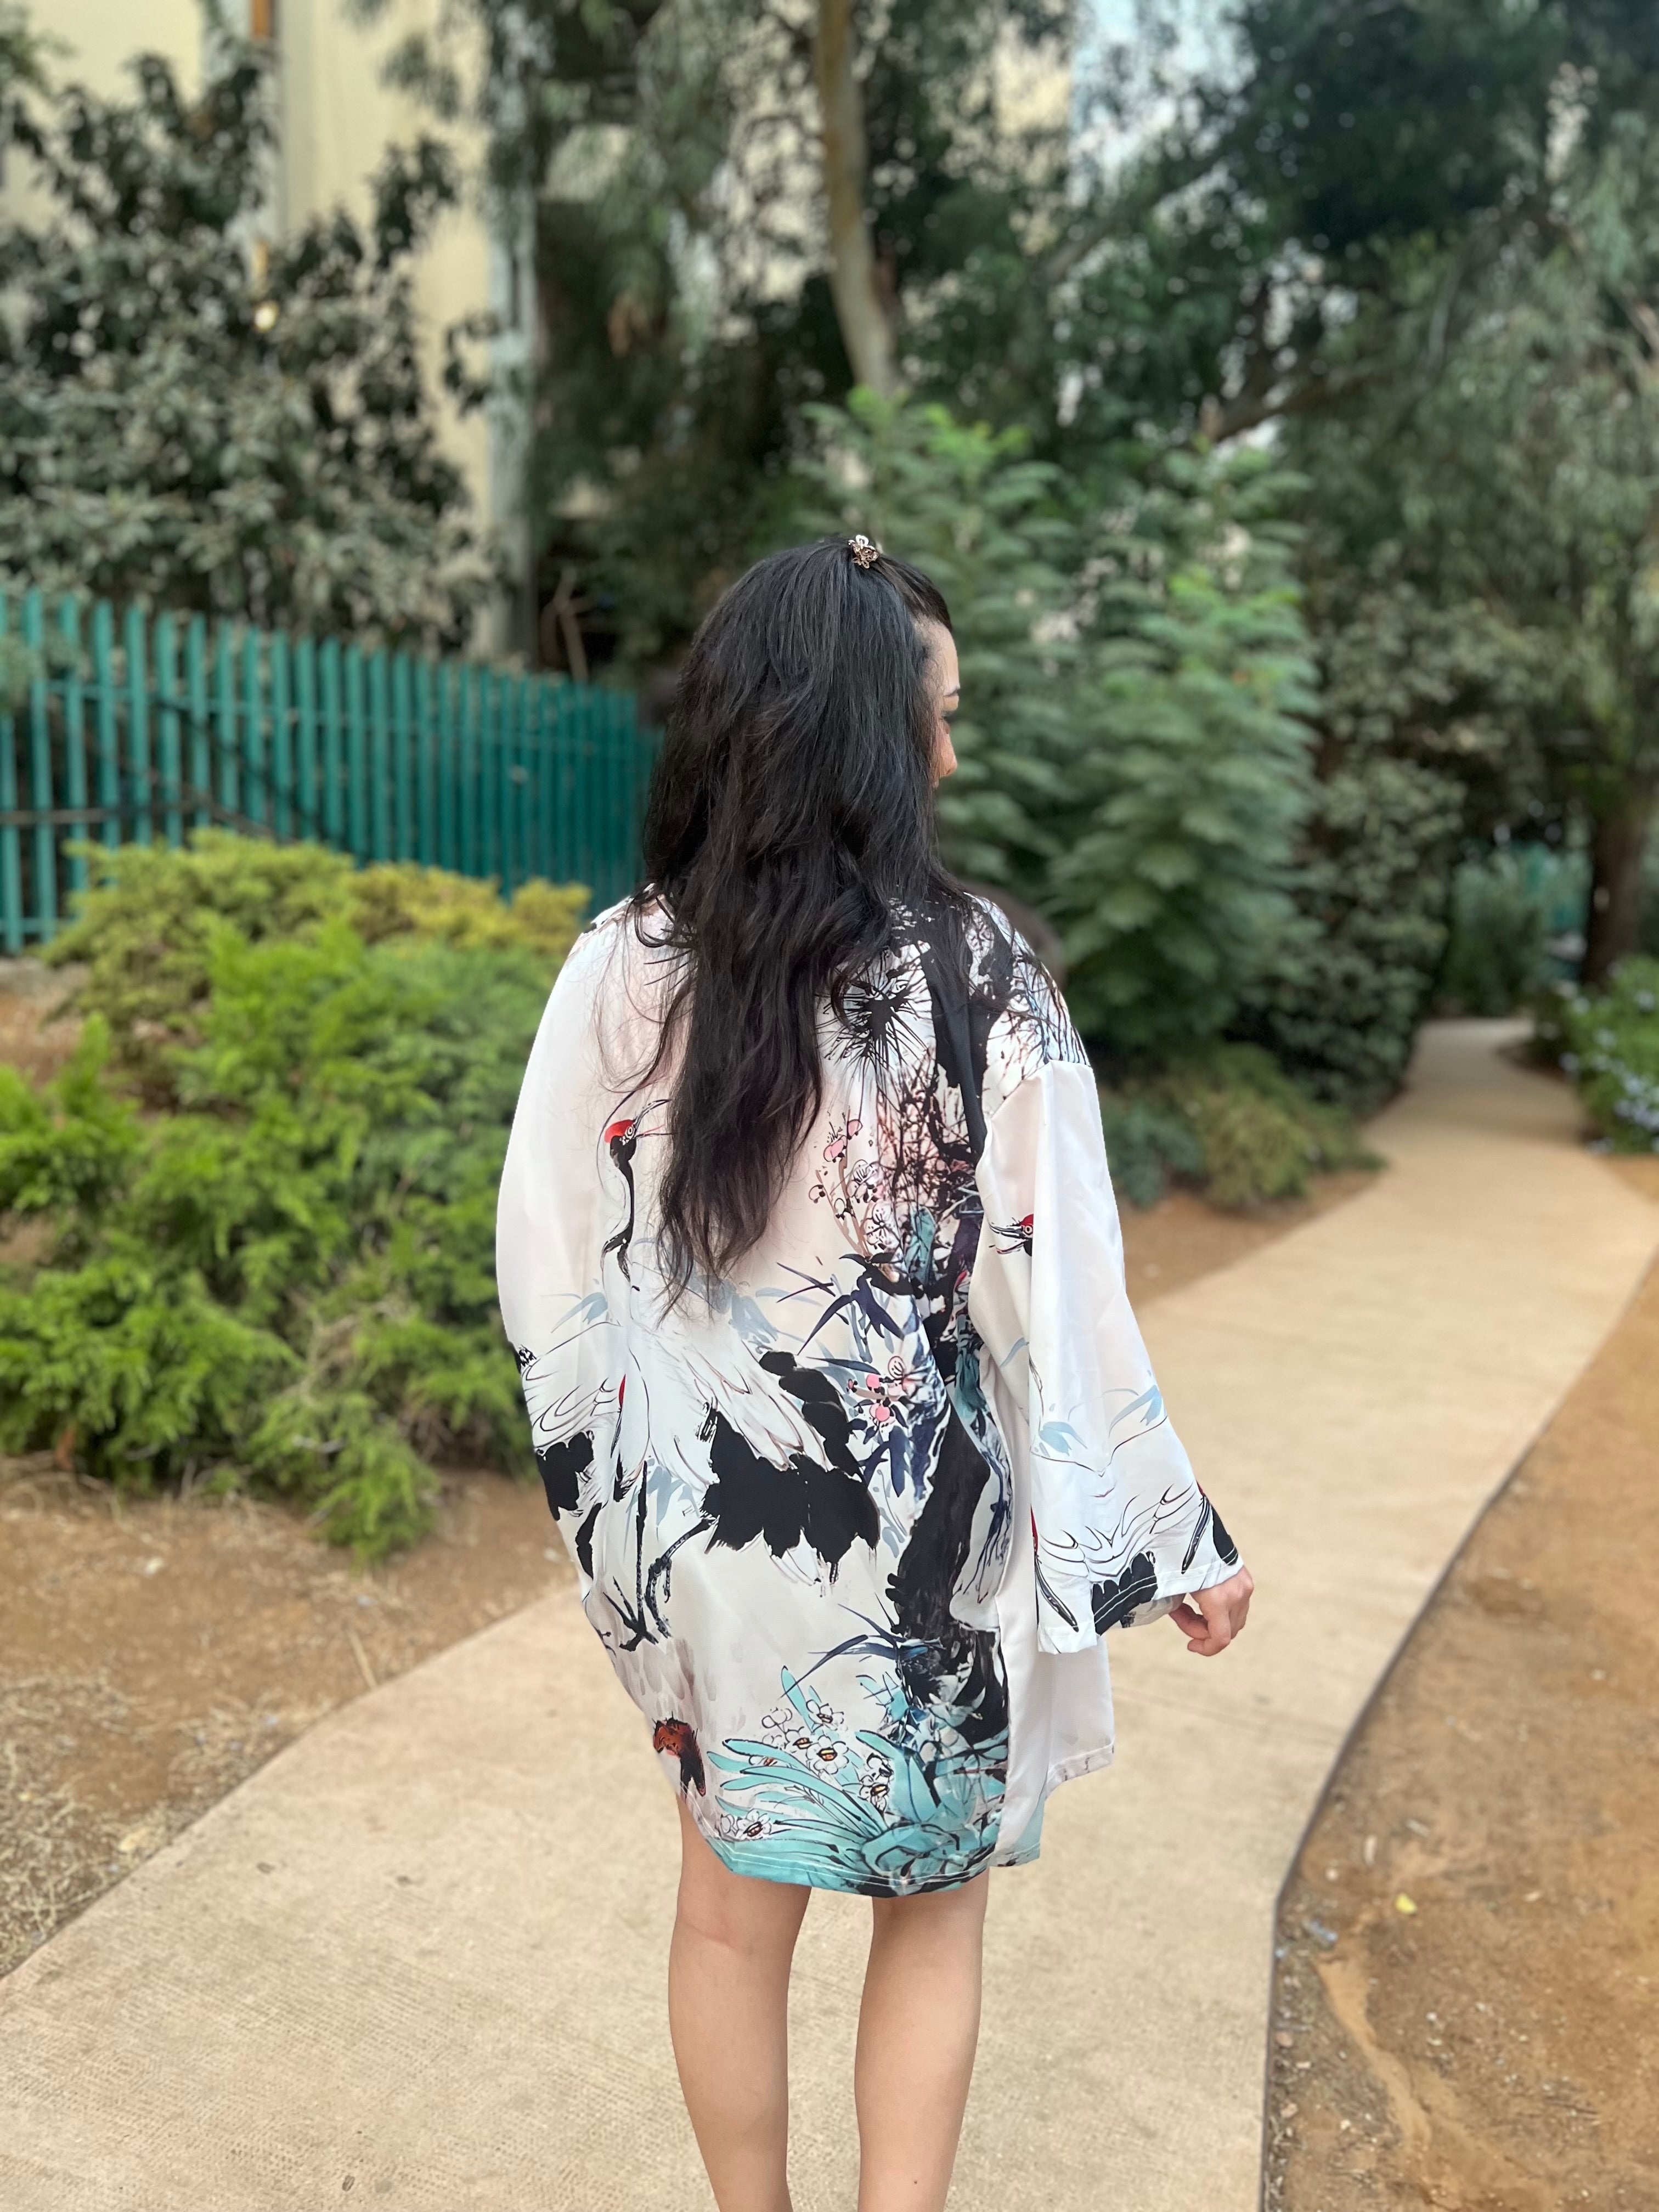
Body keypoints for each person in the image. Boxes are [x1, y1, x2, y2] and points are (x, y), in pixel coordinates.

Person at [495, 534, 1254, 2212]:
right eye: (939, 716)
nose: (953, 756)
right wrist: (1169, 1532)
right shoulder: (982, 976)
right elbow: (1061, 1297)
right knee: (935, 1911)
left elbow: (552, 1282)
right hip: (929, 1554)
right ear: (860, 731)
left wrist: (631, 1578)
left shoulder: (627, 966)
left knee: (721, 1914)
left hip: (719, 1547)